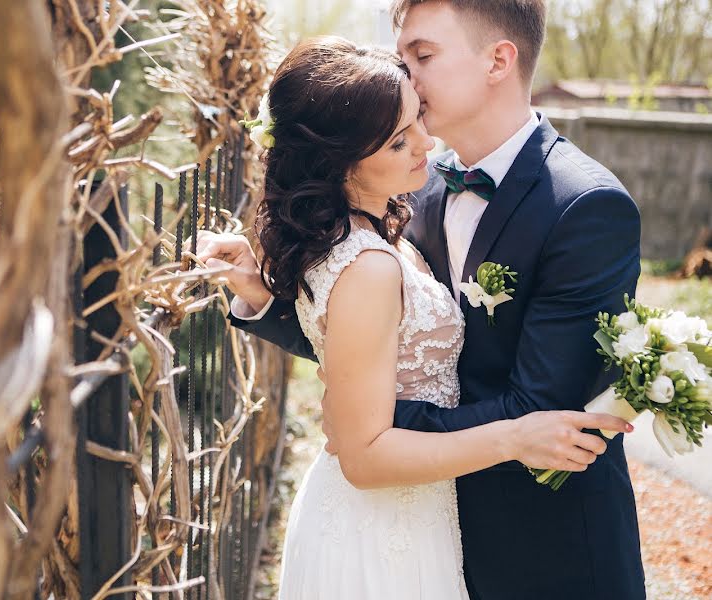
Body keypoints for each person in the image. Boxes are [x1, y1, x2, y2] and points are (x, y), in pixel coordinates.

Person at [195, 28, 638, 600]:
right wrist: (363, 426)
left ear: (499, 59)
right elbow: (373, 342)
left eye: (422, 55)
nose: (409, 75)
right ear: (343, 160)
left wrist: (369, 421)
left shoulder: (581, 205)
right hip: (386, 520)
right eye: (400, 139)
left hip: (532, 541)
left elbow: (404, 359)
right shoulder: (411, 198)